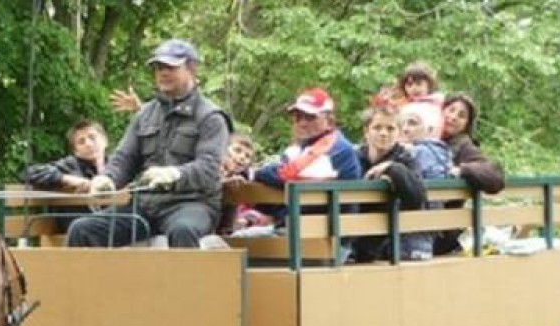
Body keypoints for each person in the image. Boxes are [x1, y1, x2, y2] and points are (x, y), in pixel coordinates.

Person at [67, 39, 231, 248]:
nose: (163, 72)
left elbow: (209, 168)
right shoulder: (145, 114)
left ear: (192, 68)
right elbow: (125, 157)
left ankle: (186, 282)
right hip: (146, 206)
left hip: (191, 204)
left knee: (183, 230)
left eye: (171, 67)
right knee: (83, 229)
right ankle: (80, 281)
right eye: (159, 67)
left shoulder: (210, 117)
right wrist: (107, 179)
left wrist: (175, 174)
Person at [251, 87, 363, 227]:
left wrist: (258, 173)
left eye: (310, 117)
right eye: (298, 117)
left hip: (328, 236)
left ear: (329, 120)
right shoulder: (303, 147)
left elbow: (289, 175)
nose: (302, 123)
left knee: (241, 242)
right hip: (303, 228)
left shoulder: (337, 148)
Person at [351, 106, 433, 262]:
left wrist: (392, 168)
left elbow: (417, 198)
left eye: (390, 128)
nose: (383, 133)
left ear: (399, 133)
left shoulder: (406, 159)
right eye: (377, 128)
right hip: (358, 238)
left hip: (397, 243)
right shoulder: (354, 158)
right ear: (366, 131)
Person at [433, 92, 506, 255]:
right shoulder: (420, 133)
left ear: (467, 124)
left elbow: (495, 177)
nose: (453, 117)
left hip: (442, 230)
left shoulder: (464, 147)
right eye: (450, 110)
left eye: (461, 115)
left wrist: (463, 170)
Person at [19, 119, 108, 193]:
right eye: (81, 142)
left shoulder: (115, 164)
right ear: (75, 151)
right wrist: (64, 178)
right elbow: (28, 173)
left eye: (92, 137)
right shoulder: (70, 165)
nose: (88, 144)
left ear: (105, 141)